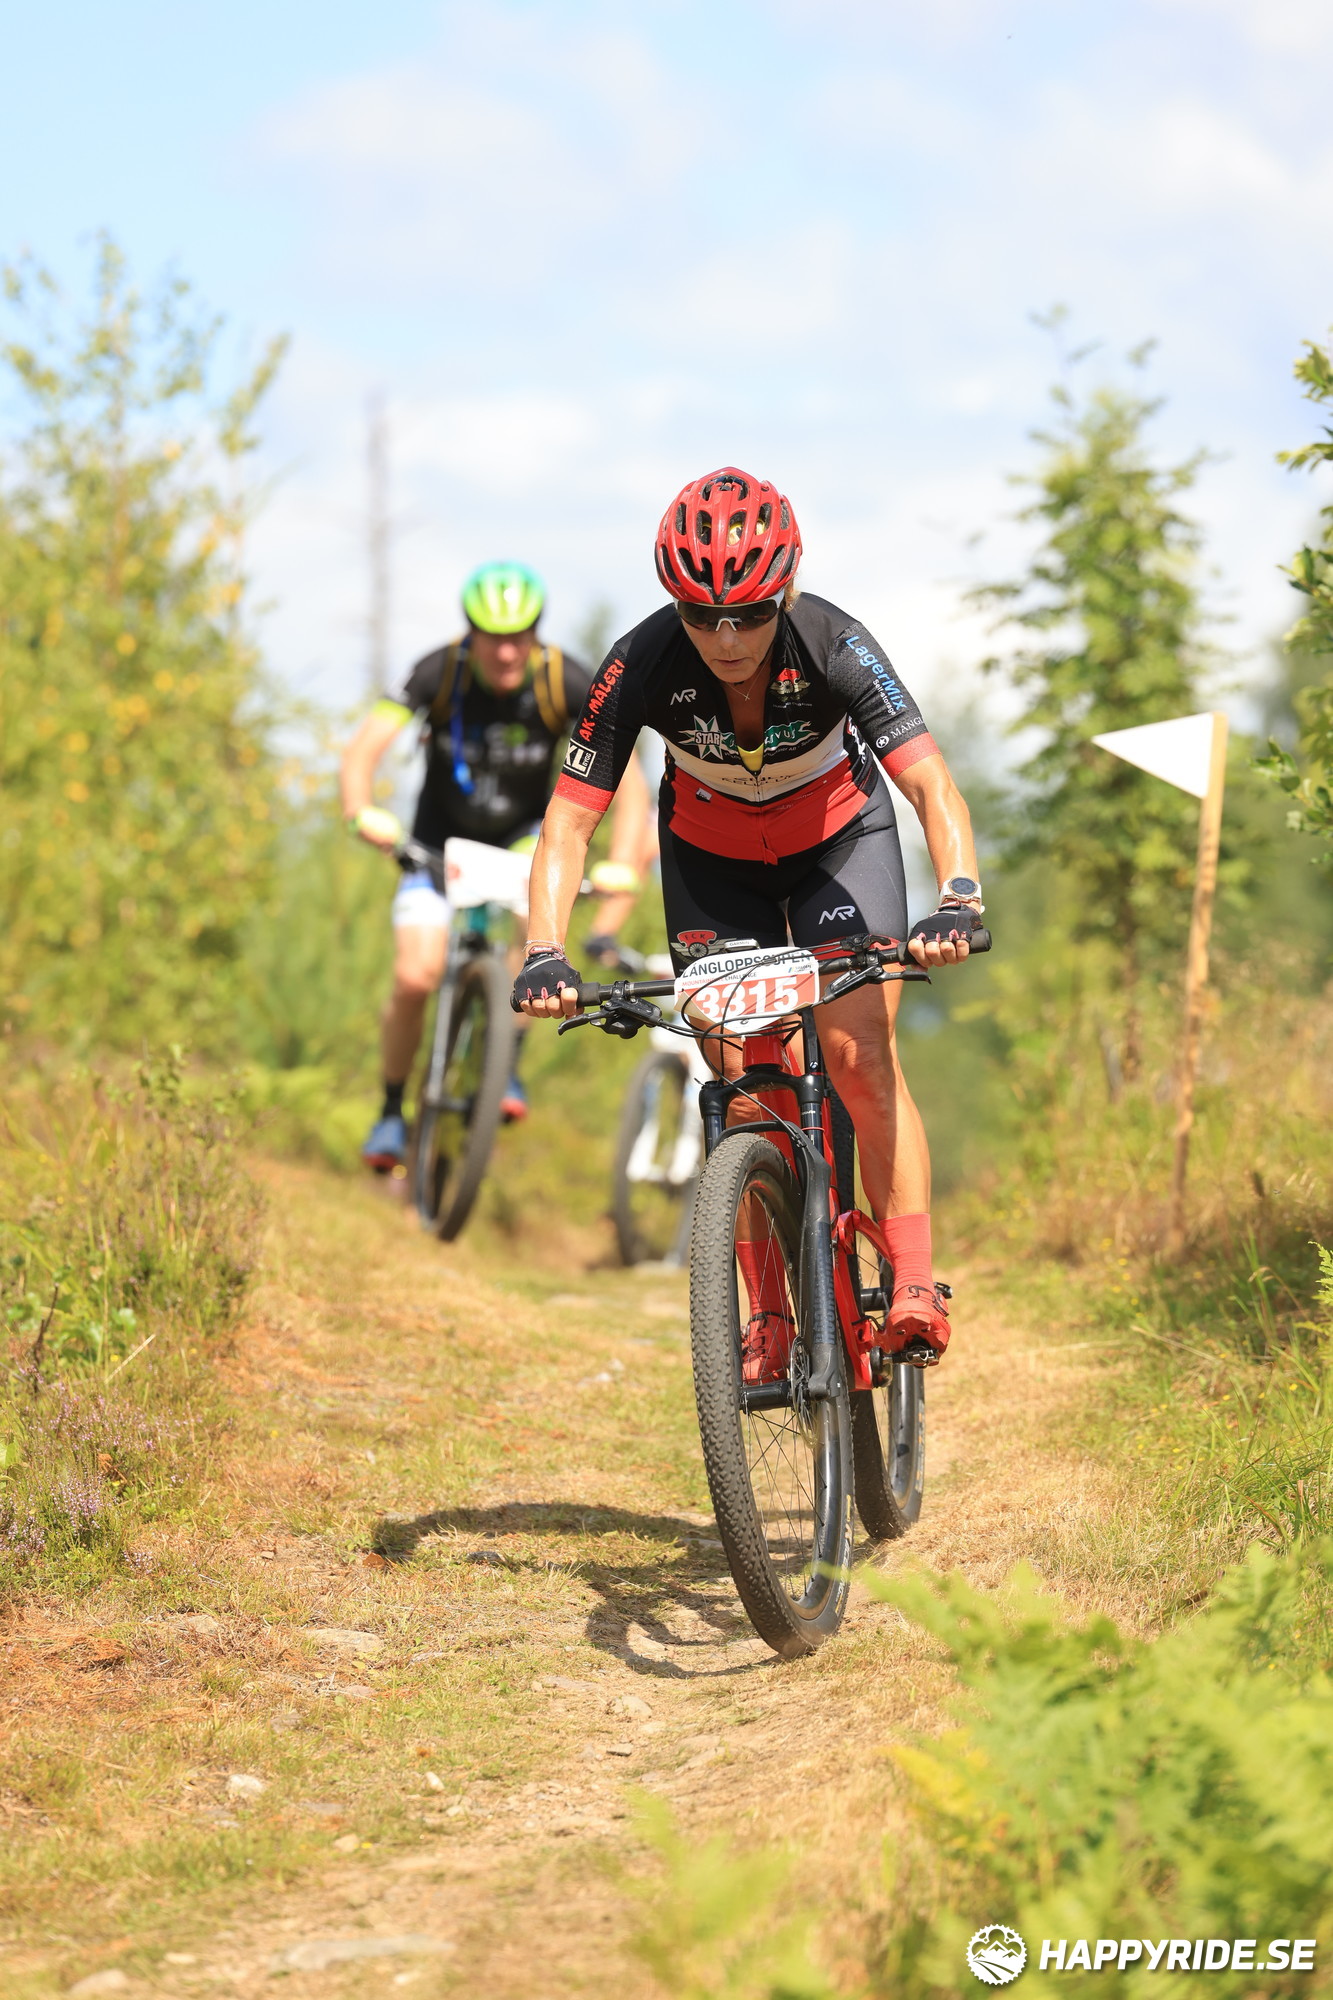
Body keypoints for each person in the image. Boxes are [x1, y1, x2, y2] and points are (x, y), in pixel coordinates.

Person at [512, 470, 983, 1359]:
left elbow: (930, 785)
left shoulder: (834, 641)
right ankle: (767, 1316)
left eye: (750, 614)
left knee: (858, 1054)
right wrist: (544, 949)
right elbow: (570, 820)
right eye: (701, 617)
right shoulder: (639, 661)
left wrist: (957, 896)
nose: (726, 639)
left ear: (787, 592)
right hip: (711, 863)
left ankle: (915, 1282)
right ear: (675, 608)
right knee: (743, 1089)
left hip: (839, 848)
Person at [341, 560, 650, 1171]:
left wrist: (622, 863)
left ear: (536, 631)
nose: (506, 651)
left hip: (520, 844)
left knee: (534, 940)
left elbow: (632, 783)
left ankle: (505, 1061)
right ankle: (391, 1109)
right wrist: (360, 810)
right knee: (414, 977)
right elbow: (363, 749)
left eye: (519, 636)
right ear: (471, 632)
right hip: (437, 844)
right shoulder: (439, 671)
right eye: (492, 636)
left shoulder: (564, 679)